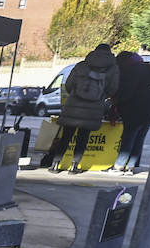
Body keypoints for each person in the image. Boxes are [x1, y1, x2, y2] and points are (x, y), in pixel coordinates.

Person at [43, 44, 119, 174]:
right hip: (93, 109)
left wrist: (77, 94)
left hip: (73, 106)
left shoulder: (81, 66)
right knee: (83, 138)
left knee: (66, 137)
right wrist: (101, 95)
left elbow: (68, 85)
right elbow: (113, 89)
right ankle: (74, 166)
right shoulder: (113, 69)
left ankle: (56, 164)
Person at [111, 51, 150, 174]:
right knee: (139, 138)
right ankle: (131, 166)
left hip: (136, 110)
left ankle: (119, 165)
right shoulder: (149, 69)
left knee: (129, 137)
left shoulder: (132, 71)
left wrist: (116, 101)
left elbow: (128, 92)